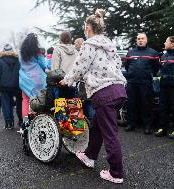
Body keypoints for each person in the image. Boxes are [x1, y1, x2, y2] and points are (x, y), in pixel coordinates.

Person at [60, 9, 127, 184]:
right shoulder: (109, 44)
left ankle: (116, 173)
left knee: (110, 134)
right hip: (119, 89)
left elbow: (79, 68)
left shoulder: (88, 45)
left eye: (84, 26)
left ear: (88, 27)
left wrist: (66, 80)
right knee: (97, 125)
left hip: (103, 92)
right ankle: (89, 156)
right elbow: (118, 63)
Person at [124, 33, 160, 134]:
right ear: (137, 40)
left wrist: (147, 75)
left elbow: (156, 68)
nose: (140, 40)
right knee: (131, 104)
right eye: (139, 39)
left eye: (142, 38)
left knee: (146, 104)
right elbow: (127, 66)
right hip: (132, 82)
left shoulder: (153, 53)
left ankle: (147, 125)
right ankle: (131, 124)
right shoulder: (130, 52)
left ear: (146, 40)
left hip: (145, 83)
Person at [155, 36, 174, 139]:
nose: (164, 43)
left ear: (173, 44)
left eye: (166, 41)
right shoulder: (163, 56)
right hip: (164, 86)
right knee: (162, 108)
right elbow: (159, 70)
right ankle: (162, 128)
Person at [19, 33, 47, 126]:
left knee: (26, 101)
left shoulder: (21, 52)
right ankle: (37, 123)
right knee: (39, 101)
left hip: (25, 79)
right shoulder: (38, 52)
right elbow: (43, 64)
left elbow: (20, 64)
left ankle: (26, 123)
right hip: (38, 79)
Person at [0, 44, 22, 129]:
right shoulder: (17, 60)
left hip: (4, 86)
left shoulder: (0, 61)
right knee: (17, 103)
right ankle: (19, 120)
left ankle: (8, 123)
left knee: (6, 104)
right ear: (12, 50)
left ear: (4, 51)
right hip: (16, 85)